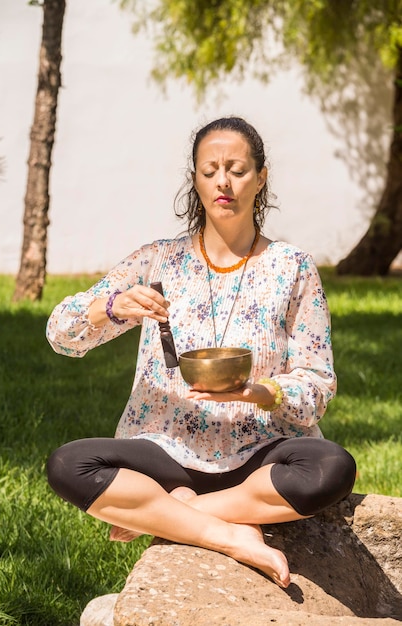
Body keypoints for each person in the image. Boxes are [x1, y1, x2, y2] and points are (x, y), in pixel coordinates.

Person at [46, 116, 356, 589]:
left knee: (333, 467)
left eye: (236, 169)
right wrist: (111, 307)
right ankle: (228, 534)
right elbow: (60, 333)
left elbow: (318, 382)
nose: (223, 182)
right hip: (166, 452)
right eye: (209, 171)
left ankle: (173, 515)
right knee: (69, 464)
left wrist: (262, 392)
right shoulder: (157, 260)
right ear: (195, 179)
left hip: (261, 450)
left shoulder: (291, 267)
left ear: (261, 177)